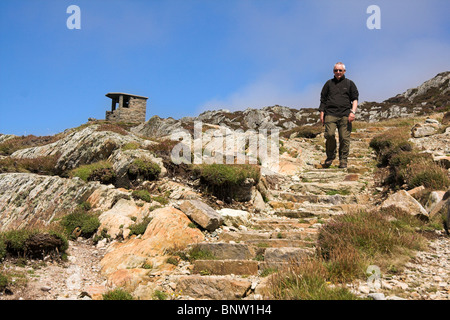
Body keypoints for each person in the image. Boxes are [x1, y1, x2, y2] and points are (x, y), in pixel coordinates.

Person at [319, 62, 359, 168]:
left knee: (344, 138)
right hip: (330, 114)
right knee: (330, 135)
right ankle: (330, 157)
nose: (338, 72)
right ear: (333, 71)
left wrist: (353, 112)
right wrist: (322, 113)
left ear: (344, 71)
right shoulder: (328, 84)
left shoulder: (350, 84)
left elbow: (355, 99)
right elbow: (323, 100)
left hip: (345, 115)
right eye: (336, 70)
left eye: (340, 70)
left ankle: (343, 160)